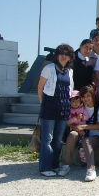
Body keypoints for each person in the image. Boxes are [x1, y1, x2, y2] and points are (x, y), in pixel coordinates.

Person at [37, 44, 74, 177]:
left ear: (70, 57)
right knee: (47, 138)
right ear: (57, 55)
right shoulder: (49, 68)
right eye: (61, 53)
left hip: (63, 108)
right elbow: (40, 87)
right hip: (49, 106)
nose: (63, 56)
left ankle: (55, 165)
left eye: (66, 54)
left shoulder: (70, 71)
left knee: (58, 140)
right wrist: (43, 103)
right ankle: (44, 167)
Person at [62, 85, 99, 182]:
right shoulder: (81, 106)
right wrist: (76, 128)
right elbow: (70, 121)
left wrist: (83, 127)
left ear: (93, 95)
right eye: (83, 97)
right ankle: (67, 164)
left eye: (88, 96)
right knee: (72, 135)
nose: (86, 99)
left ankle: (91, 169)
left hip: (96, 136)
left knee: (87, 141)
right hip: (81, 133)